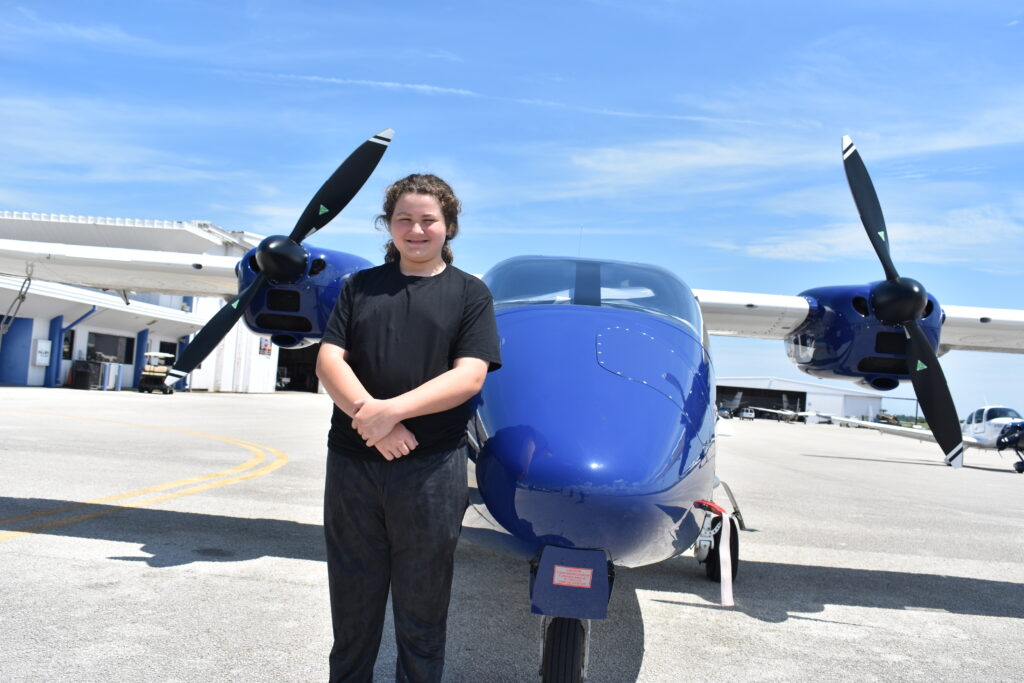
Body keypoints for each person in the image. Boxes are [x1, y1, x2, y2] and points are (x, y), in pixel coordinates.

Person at [316, 173, 501, 682]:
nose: (416, 230)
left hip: (431, 470)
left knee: (422, 613)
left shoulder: (470, 294)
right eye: (404, 219)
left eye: (428, 220)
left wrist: (390, 412)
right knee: (351, 610)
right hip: (353, 466)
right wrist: (374, 423)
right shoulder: (359, 288)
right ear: (388, 225)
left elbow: (469, 376)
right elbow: (329, 361)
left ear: (449, 226)